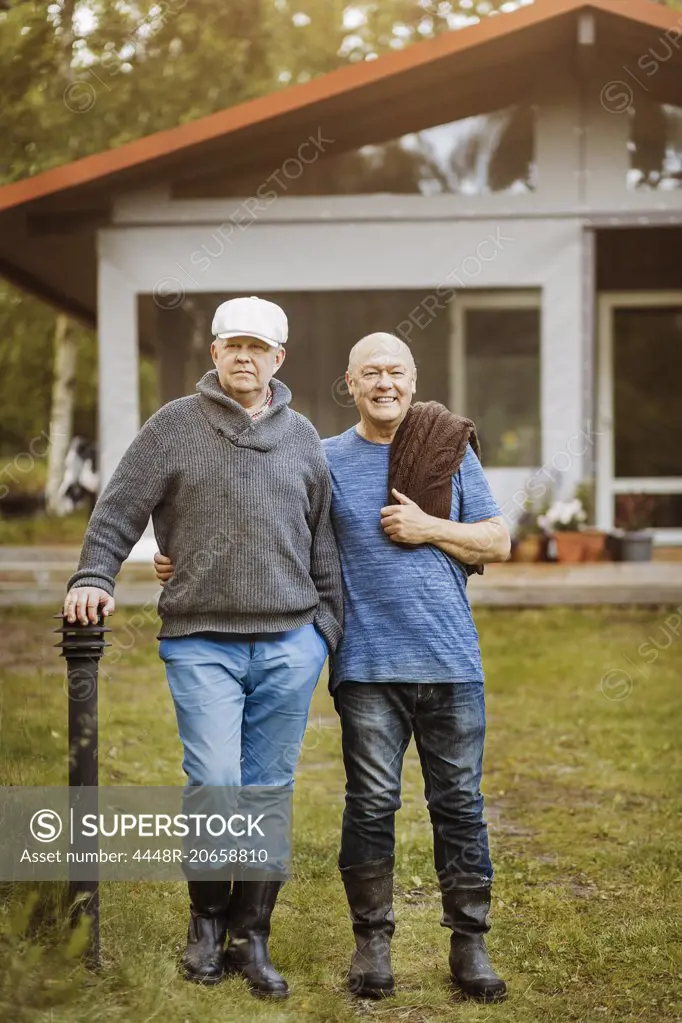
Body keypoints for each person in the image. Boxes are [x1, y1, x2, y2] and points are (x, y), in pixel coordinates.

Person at [155, 330, 511, 1002]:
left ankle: (471, 944)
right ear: (349, 384)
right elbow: (268, 526)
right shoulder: (321, 457)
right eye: (370, 372)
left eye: (396, 371)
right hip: (366, 664)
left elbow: (498, 538)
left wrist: (429, 527)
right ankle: (371, 943)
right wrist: (184, 557)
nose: (385, 383)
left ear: (414, 378)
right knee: (371, 806)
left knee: (459, 804)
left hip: (452, 662)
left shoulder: (449, 449)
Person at [63, 295, 343, 998]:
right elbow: (119, 505)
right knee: (216, 781)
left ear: (279, 359)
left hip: (289, 641)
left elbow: (324, 541)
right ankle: (206, 922)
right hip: (200, 641)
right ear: (213, 354)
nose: (244, 356)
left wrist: (325, 632)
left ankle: (254, 936)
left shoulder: (304, 436)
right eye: (232, 345)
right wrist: (95, 573)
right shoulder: (173, 428)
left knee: (267, 789)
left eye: (258, 346)